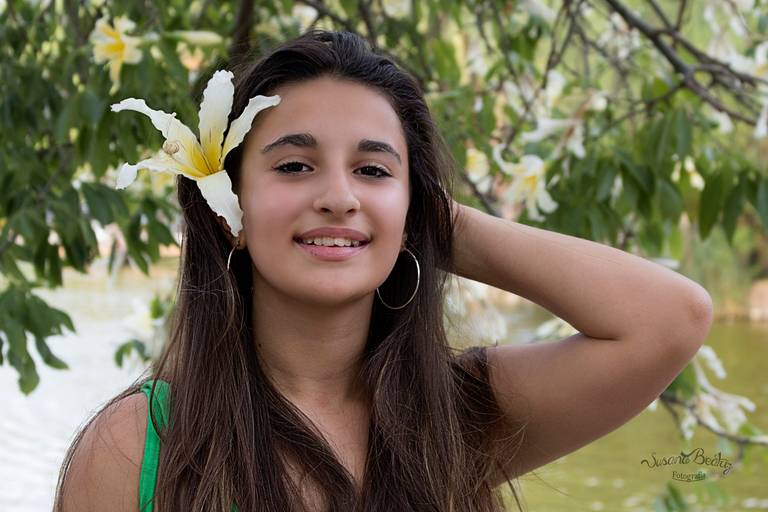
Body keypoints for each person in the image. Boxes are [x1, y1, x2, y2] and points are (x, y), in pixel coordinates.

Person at [54, 29, 713, 511]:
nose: (339, 196)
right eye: (293, 165)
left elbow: (669, 319)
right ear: (231, 208)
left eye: (372, 170)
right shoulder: (139, 446)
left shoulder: (457, 415)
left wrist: (429, 226)